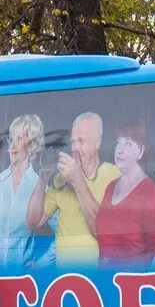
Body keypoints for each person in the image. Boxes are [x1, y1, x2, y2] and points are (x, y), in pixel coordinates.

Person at [28, 111, 115, 266]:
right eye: (73, 142)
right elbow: (33, 222)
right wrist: (43, 181)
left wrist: (77, 180)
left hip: (98, 278)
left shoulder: (113, 175)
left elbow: (103, 232)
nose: (75, 148)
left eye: (81, 141)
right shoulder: (60, 180)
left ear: (98, 142)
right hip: (65, 278)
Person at [91, 121, 155, 264]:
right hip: (105, 280)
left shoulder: (150, 193)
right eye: (119, 142)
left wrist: (146, 283)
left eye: (128, 144)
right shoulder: (111, 187)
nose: (120, 150)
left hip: (133, 282)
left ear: (141, 151)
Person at [0, 112, 52, 267]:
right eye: (12, 139)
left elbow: (64, 232)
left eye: (19, 138)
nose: (12, 145)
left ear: (31, 144)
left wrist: (41, 264)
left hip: (21, 280)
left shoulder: (41, 186)